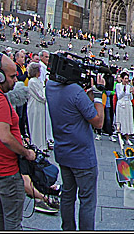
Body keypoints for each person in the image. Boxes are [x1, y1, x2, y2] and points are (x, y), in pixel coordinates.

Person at [0, 53, 38, 230]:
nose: (15, 81)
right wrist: (26, 152)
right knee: (13, 223)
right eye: (12, 76)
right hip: (7, 170)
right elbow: (5, 136)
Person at [46, 61, 105, 230]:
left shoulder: (50, 86)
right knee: (87, 200)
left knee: (67, 195)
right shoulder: (75, 91)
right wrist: (98, 94)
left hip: (63, 152)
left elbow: (75, 107)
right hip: (82, 155)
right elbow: (98, 122)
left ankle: (68, 228)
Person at [26, 62, 53, 150]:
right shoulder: (33, 81)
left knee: (41, 125)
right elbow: (40, 95)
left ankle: (42, 145)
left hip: (40, 105)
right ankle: (37, 146)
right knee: (36, 125)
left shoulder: (38, 81)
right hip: (35, 105)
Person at [114, 72, 134, 145]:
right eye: (125, 78)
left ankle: (127, 138)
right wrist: (124, 90)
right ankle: (120, 137)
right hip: (121, 104)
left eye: (127, 78)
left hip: (127, 104)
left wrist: (132, 92)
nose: (127, 80)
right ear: (122, 79)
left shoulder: (129, 86)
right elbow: (119, 96)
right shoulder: (118, 85)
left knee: (128, 121)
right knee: (120, 121)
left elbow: (131, 98)